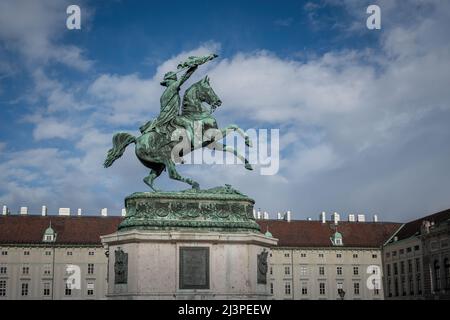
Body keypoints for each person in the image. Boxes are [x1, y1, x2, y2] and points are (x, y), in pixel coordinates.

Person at [140, 54, 218, 135]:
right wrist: (194, 67)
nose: (175, 82)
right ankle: (196, 142)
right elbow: (184, 77)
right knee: (188, 125)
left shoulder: (165, 93)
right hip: (170, 118)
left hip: (164, 118)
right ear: (170, 81)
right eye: (173, 81)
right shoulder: (171, 88)